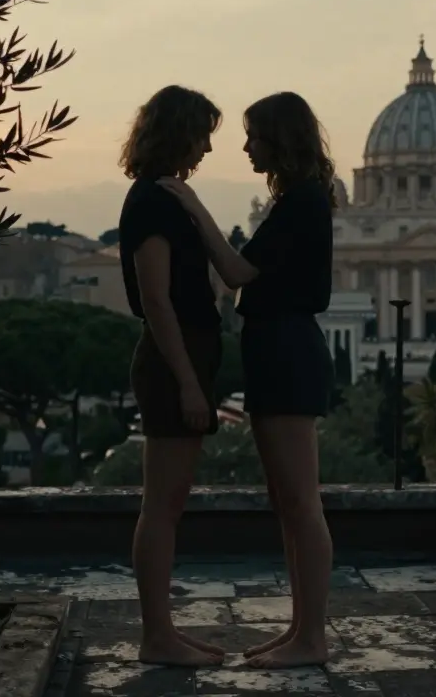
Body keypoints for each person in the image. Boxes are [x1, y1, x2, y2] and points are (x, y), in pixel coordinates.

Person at [159, 91, 335, 669]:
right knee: (288, 503)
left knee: (302, 504)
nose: (244, 146)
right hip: (276, 350)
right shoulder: (296, 200)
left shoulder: (303, 201)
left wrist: (196, 209)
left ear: (280, 139)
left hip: (286, 351)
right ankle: (299, 631)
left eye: (254, 136)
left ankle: (312, 638)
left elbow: (236, 272)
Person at [116, 85, 227, 667]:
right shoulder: (154, 203)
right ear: (179, 132)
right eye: (203, 132)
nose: (209, 145)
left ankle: (164, 633)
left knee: (169, 502)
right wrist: (187, 381)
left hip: (183, 356)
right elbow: (158, 302)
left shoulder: (168, 197)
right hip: (172, 360)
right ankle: (157, 637)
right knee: (161, 505)